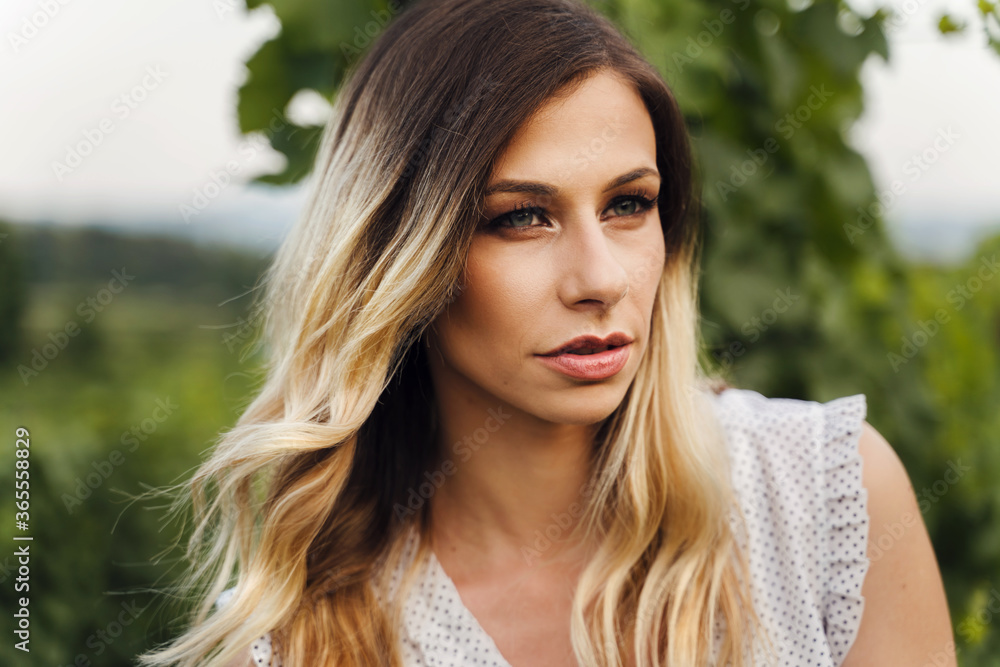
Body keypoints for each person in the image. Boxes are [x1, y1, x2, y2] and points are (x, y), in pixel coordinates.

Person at [138, 0, 956, 665]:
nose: (601, 279)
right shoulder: (299, 641)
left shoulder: (823, 493)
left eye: (629, 204)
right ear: (398, 257)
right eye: (522, 217)